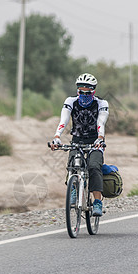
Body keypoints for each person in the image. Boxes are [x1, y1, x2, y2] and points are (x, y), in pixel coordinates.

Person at [50, 73, 109, 216]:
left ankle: (97, 202)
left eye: (87, 91)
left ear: (93, 91)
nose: (84, 94)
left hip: (95, 142)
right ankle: (74, 190)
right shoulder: (71, 101)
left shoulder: (102, 103)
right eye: (81, 91)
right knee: (73, 166)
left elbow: (100, 122)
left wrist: (100, 138)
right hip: (77, 141)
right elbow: (63, 121)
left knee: (94, 167)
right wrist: (57, 137)